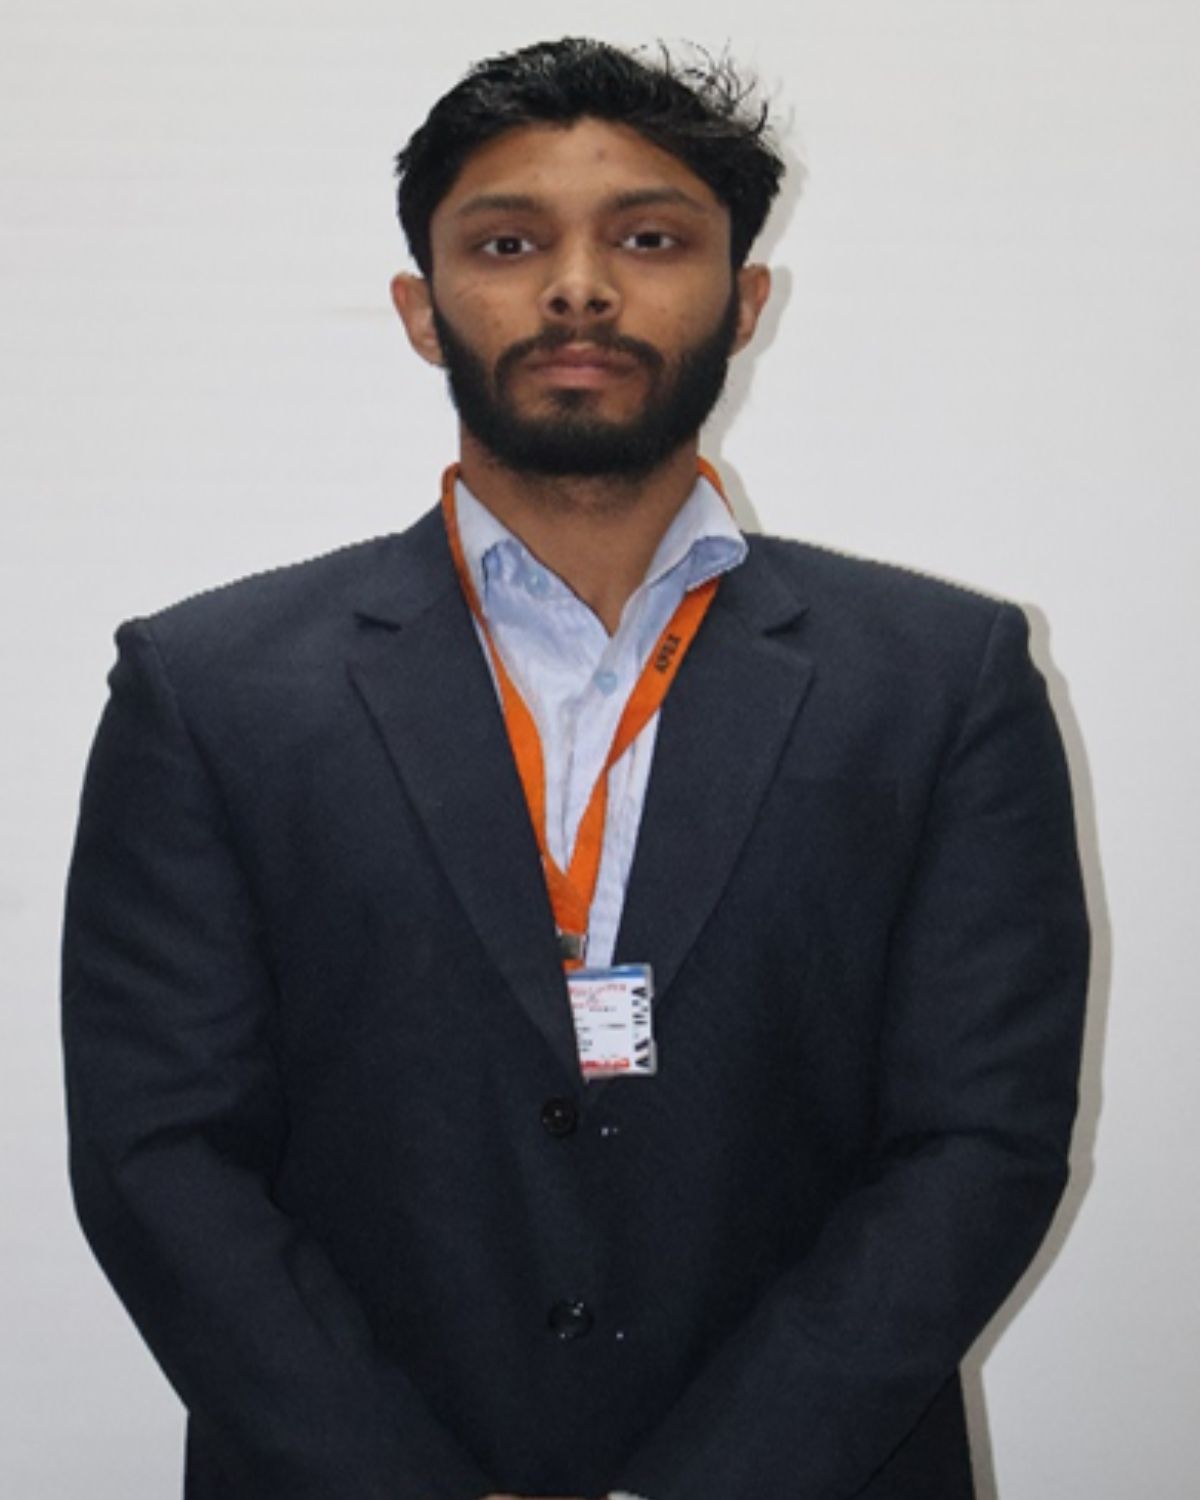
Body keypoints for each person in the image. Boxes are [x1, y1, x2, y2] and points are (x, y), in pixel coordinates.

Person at [61, 37, 1090, 1500]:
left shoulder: (940, 677)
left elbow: (981, 1140)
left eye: (650, 239)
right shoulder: (211, 687)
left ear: (745, 302)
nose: (580, 288)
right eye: (508, 242)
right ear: (422, 310)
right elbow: (159, 1153)